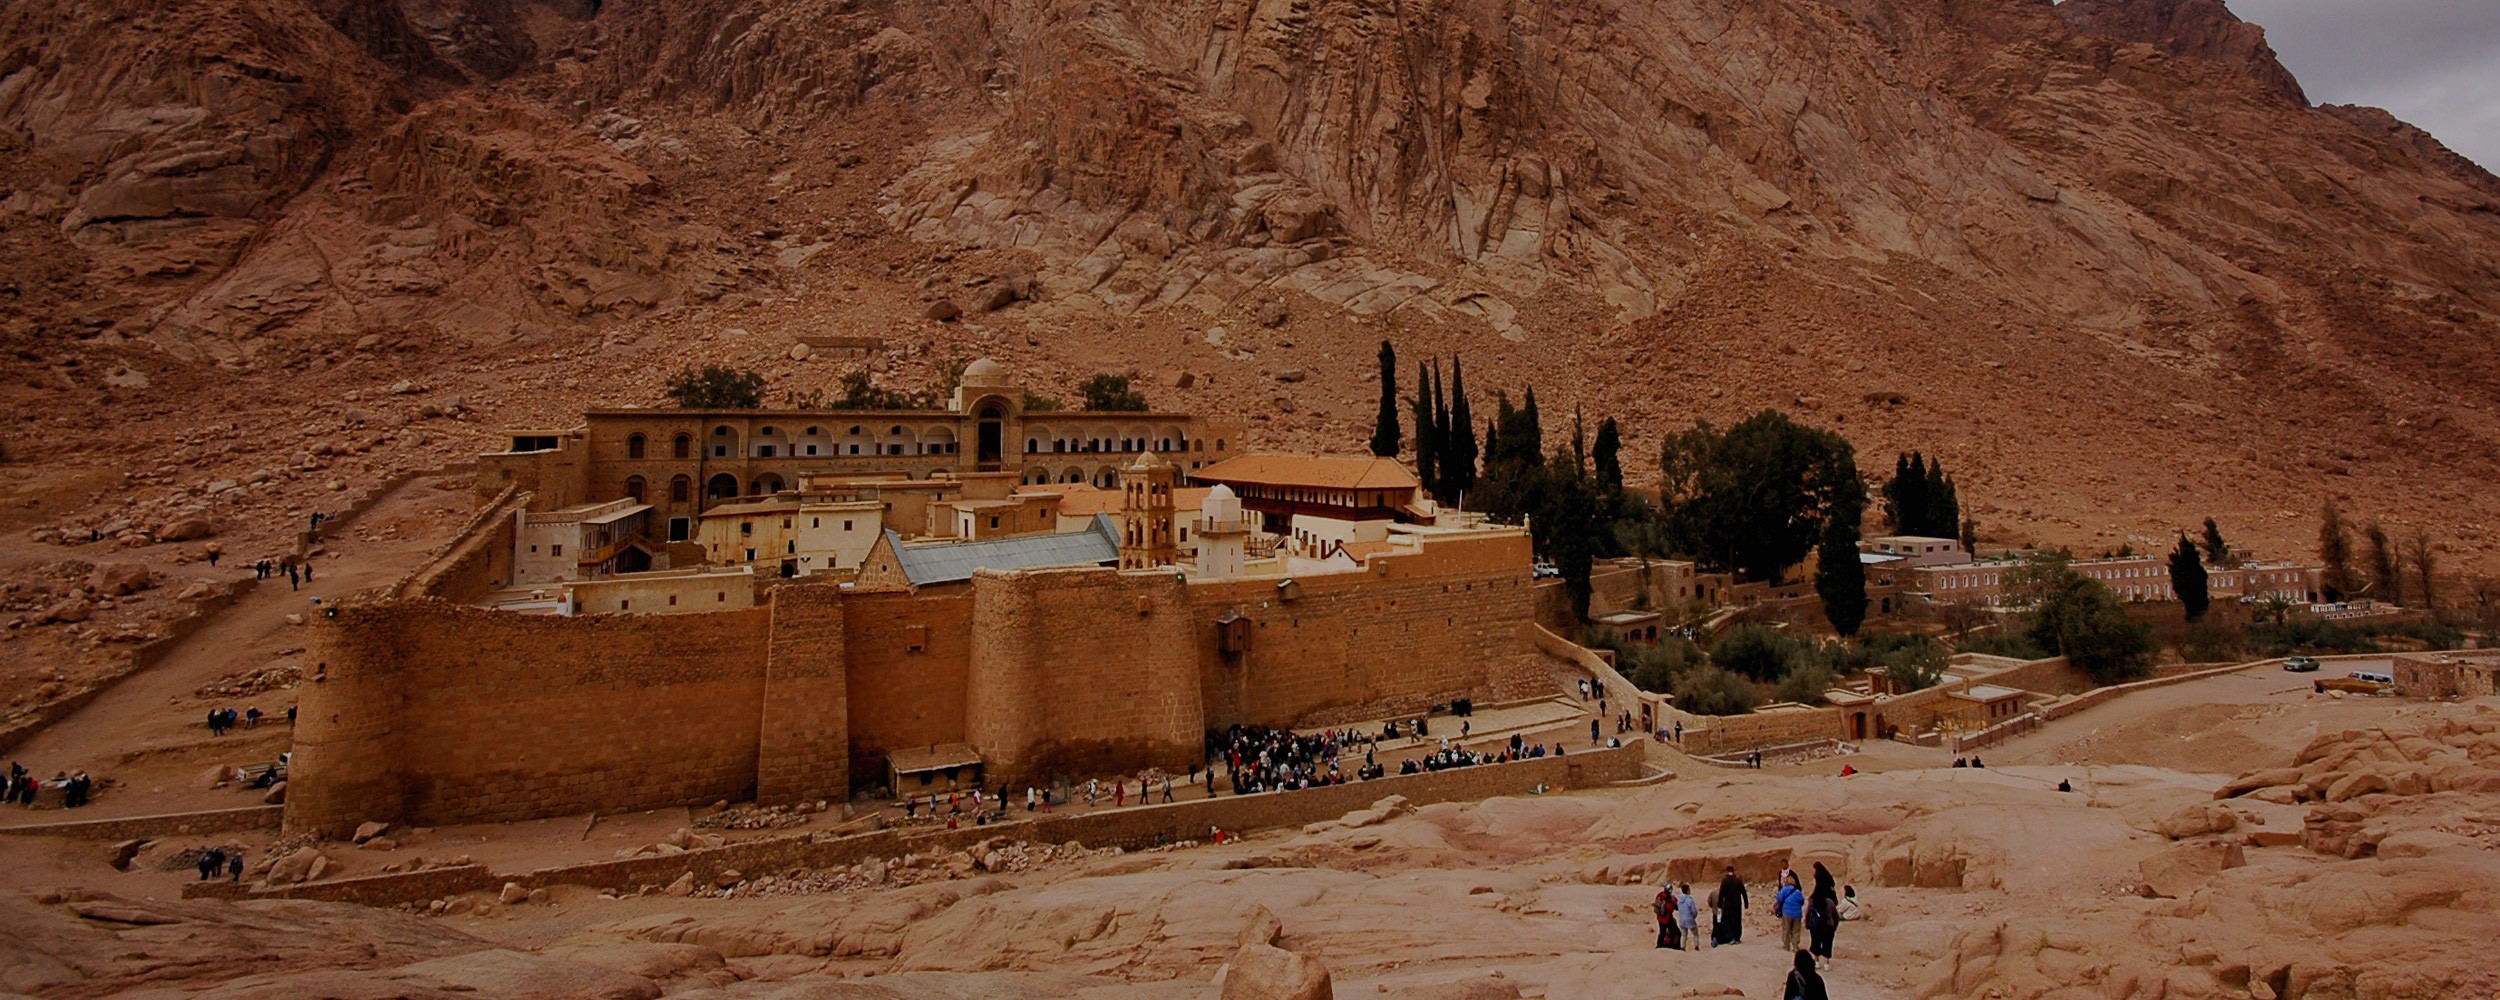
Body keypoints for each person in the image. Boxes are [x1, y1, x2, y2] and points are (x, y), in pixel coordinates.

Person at [1807, 862, 1840, 962]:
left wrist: (1807, 923)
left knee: (1816, 939)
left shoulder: (1820, 876)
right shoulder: (1827, 876)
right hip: (1828, 919)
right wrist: (1834, 925)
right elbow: (1835, 916)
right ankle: (1827, 962)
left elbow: (1808, 912)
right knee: (1827, 941)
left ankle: (1816, 961)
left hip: (1817, 919)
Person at [1716, 866, 1748, 945]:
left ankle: (1730, 938)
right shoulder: (1738, 881)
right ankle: (1737, 937)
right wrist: (1746, 903)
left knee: (1728, 921)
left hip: (1728, 905)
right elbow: (1744, 893)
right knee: (1737, 921)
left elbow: (1721, 894)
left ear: (1727, 871)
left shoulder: (1724, 881)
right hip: (1737, 905)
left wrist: (1719, 905)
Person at [1774, 871, 1805, 951]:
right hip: (1797, 914)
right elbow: (1802, 901)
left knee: (1786, 929)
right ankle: (1795, 946)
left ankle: (1786, 945)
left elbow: (1779, 899)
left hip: (1787, 912)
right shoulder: (1798, 892)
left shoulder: (1784, 890)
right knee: (1796, 930)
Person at [1654, 884, 1679, 948]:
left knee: (1662, 932)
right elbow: (1674, 907)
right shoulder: (1669, 899)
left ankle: (1659, 945)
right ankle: (1673, 945)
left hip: (1660, 918)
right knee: (1676, 931)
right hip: (1667, 918)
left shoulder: (1660, 895)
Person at [1678, 882, 1701, 950]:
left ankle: (1682, 947)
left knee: (1683, 934)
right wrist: (1693, 917)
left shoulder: (1679, 900)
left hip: (1682, 919)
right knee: (1695, 934)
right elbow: (1694, 911)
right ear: (1687, 890)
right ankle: (1696, 946)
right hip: (1689, 919)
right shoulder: (1689, 900)